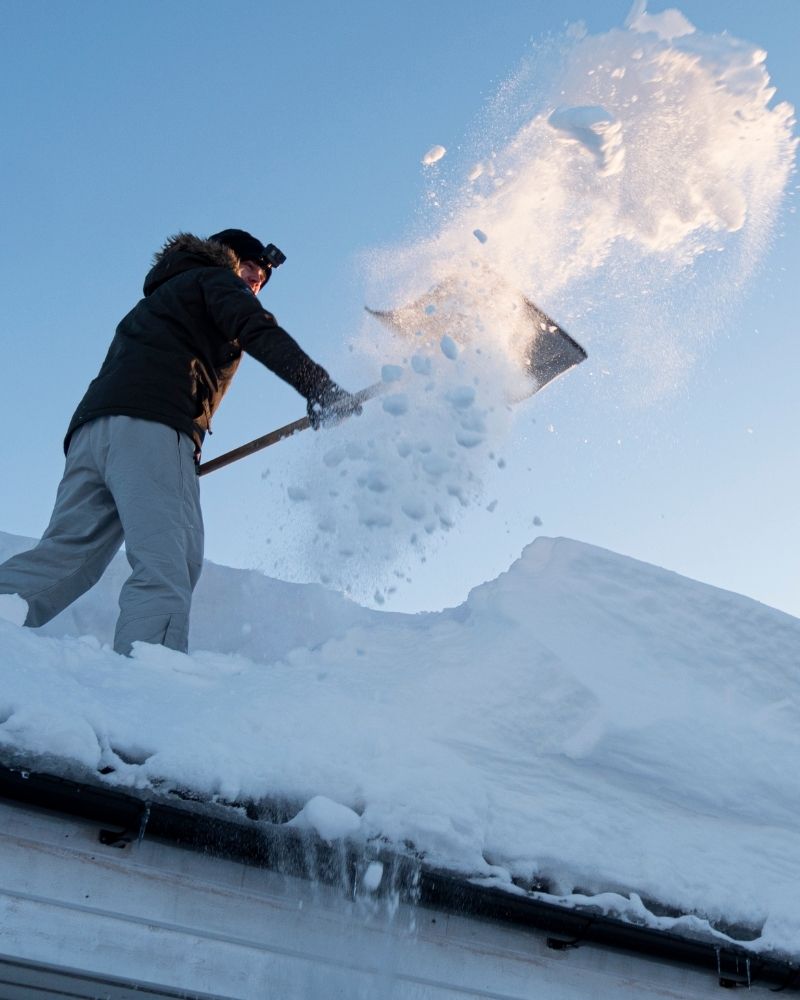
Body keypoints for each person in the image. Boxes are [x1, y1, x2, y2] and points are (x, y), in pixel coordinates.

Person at [0, 228, 358, 655]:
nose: (254, 285)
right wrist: (319, 387)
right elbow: (257, 329)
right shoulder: (214, 280)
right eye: (250, 270)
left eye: (260, 281)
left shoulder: (158, 299)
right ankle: (148, 682)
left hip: (92, 434)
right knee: (170, 562)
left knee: (65, 557)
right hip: (152, 428)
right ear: (227, 258)